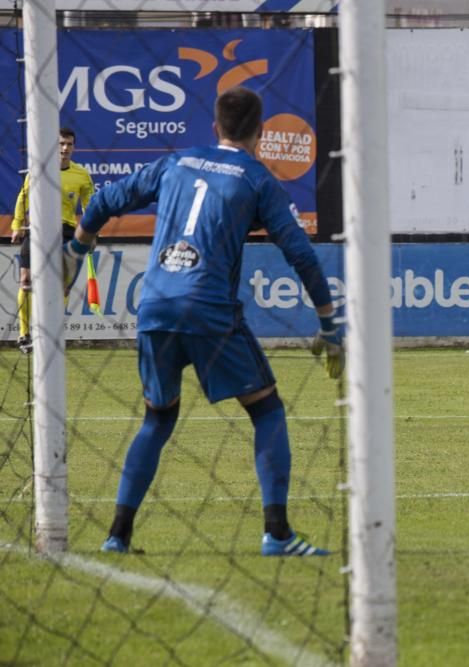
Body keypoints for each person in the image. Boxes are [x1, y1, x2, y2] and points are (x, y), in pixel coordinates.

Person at [67, 86, 343, 556]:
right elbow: (300, 253)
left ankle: (117, 535)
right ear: (260, 134)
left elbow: (107, 199)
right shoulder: (257, 179)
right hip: (208, 305)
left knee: (158, 418)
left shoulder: (176, 162)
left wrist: (77, 248)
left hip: (153, 305)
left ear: (214, 127)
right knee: (267, 409)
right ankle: (277, 534)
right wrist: (328, 326)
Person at [10, 128, 94, 354]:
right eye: (61, 144)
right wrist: (17, 225)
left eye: (69, 144)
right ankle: (24, 335)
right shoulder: (38, 170)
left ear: (74, 147)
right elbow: (23, 198)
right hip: (37, 230)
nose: (65, 148)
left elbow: (90, 207)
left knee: (62, 287)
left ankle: (53, 334)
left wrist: (92, 231)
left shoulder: (82, 175)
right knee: (26, 281)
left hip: (65, 231)